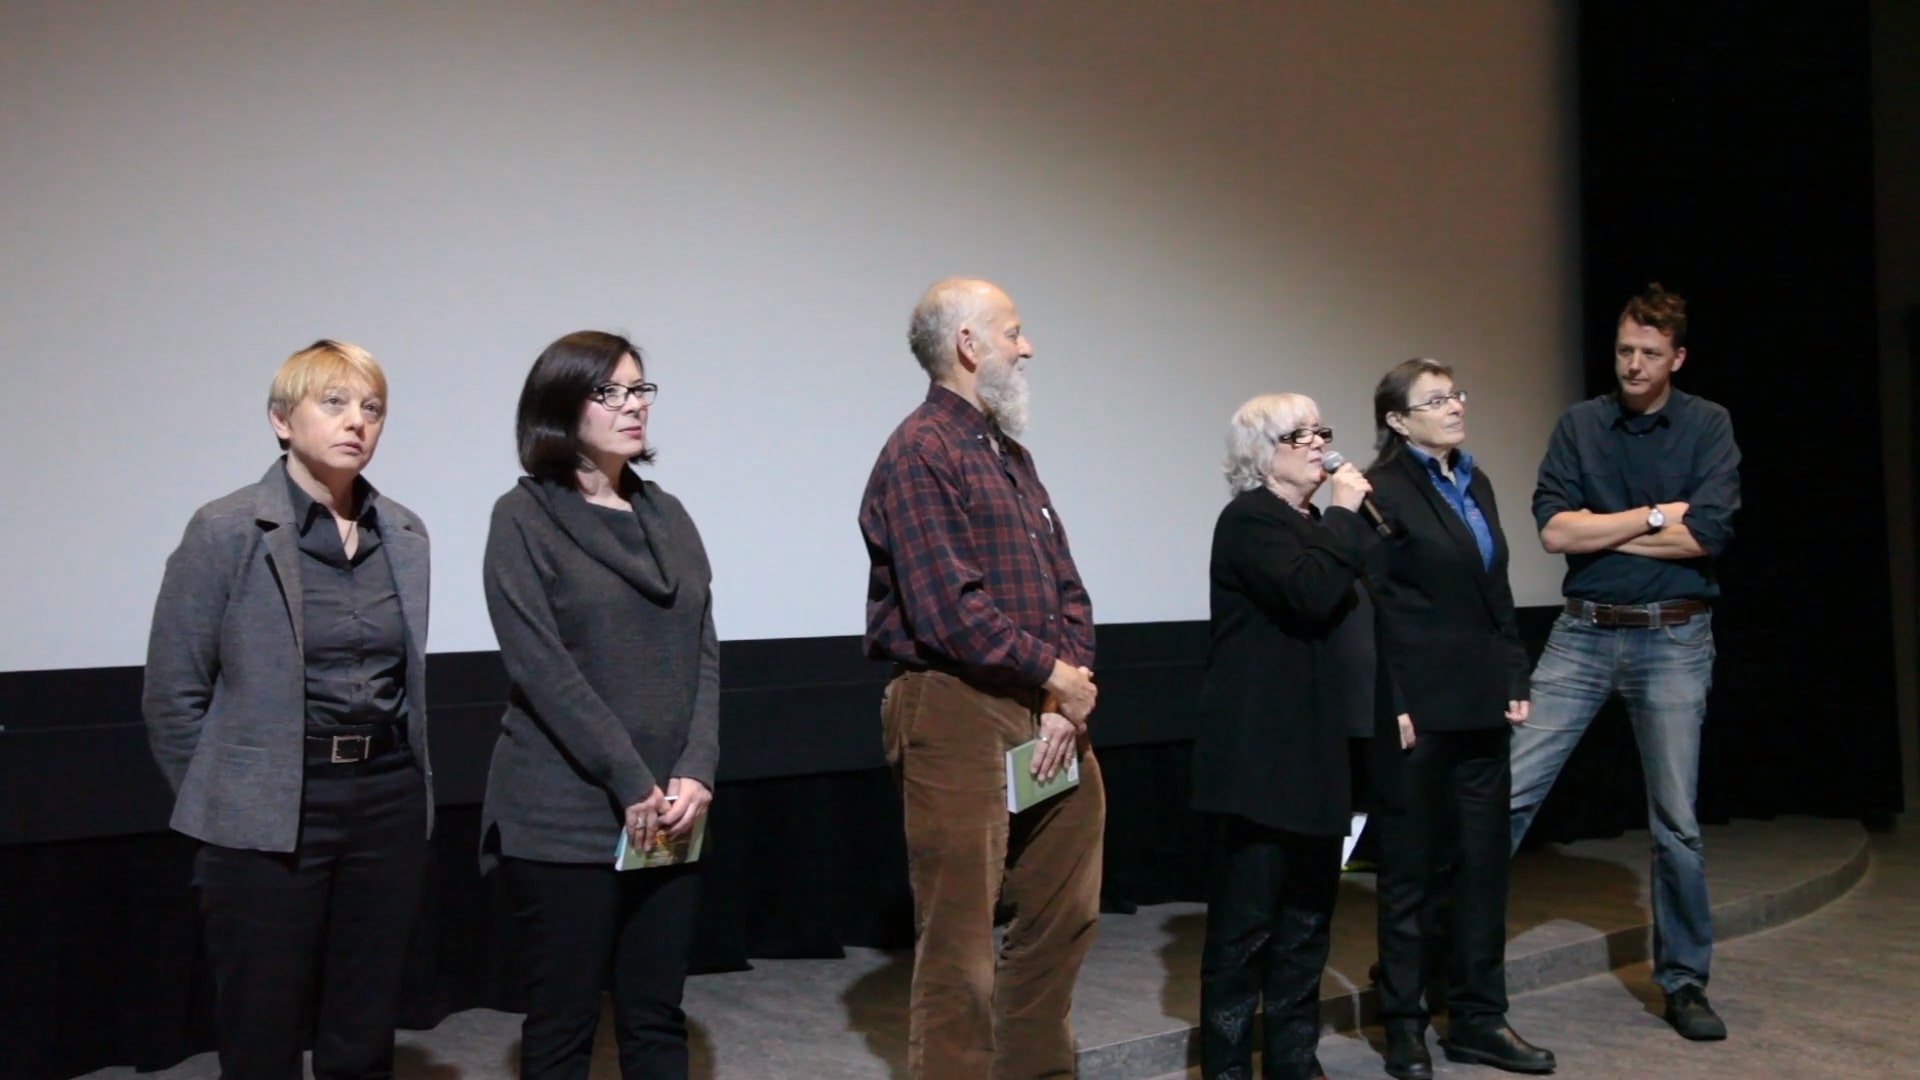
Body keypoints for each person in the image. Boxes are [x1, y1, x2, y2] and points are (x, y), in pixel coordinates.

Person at [143, 339, 433, 1079]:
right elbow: (173, 693)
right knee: (261, 1022)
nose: (356, 422)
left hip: (384, 796)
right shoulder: (226, 528)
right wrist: (226, 804)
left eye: (372, 408)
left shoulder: (401, 531)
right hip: (268, 809)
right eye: (333, 403)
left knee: (364, 1018)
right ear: (281, 419)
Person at [859, 277, 1102, 1080]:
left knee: (1062, 917)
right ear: (968, 344)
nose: (1026, 347)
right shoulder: (920, 450)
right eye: (1013, 332)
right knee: (960, 939)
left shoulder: (1008, 453)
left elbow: (1068, 585)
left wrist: (1067, 690)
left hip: (1044, 708)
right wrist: (1055, 678)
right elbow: (946, 611)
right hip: (954, 706)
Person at [480, 330, 720, 1079]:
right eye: (608, 392)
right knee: (564, 1023)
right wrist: (627, 778)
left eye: (640, 390)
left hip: (670, 812)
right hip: (564, 814)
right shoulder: (521, 518)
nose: (632, 406)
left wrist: (697, 766)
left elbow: (704, 650)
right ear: (560, 409)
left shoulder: (669, 514)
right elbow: (543, 669)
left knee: (655, 1016)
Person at [1510, 283, 1741, 1041]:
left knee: (1676, 822)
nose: (1633, 365)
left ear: (1677, 357)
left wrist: (1599, 529)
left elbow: (1705, 535)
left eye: (1648, 354)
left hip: (1673, 636)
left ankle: (1683, 982)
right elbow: (1553, 535)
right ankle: (1447, 955)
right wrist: (1649, 517)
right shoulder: (1581, 425)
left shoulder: (1708, 425)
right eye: (1623, 352)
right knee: (1506, 793)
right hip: (1582, 633)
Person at [1363, 359, 1554, 1077]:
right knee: (1409, 870)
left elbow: (1493, 589)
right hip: (1418, 709)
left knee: (1481, 869)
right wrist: (1395, 702)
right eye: (1434, 400)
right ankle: (1405, 1022)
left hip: (1480, 705)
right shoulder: (1382, 492)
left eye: (1456, 394)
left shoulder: (1474, 480)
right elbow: (1374, 605)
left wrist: (1514, 671)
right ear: (1396, 419)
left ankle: (1478, 1016)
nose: (1453, 407)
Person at [1192, 393, 1382, 1080]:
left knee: (1307, 921)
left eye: (1321, 430)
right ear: (1261, 454)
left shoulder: (1321, 526)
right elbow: (1309, 593)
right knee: (1247, 928)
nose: (1318, 443)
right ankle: (1229, 1067)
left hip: (1320, 750)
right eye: (1298, 434)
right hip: (1259, 757)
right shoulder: (1249, 521)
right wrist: (1342, 514)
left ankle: (1296, 1060)